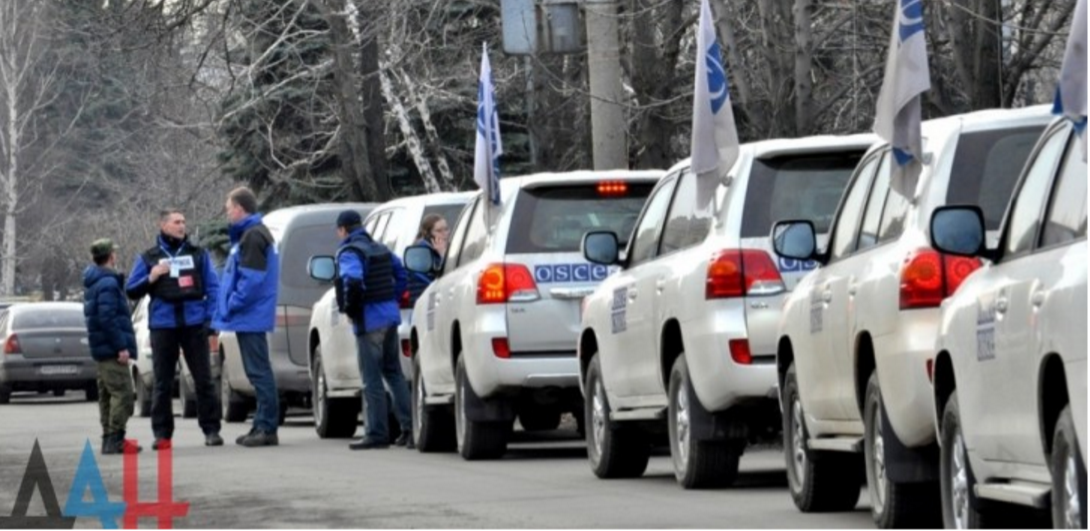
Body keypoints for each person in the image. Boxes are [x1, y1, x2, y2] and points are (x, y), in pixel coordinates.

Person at [126, 209, 223, 449]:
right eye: (177, 222)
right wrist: (152, 276)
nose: (182, 226)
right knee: (162, 382)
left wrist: (210, 320)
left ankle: (211, 430)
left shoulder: (198, 255)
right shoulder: (149, 258)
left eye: (184, 222)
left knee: (203, 380)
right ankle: (162, 435)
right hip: (163, 326)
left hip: (193, 324)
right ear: (163, 225)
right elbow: (131, 290)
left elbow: (213, 288)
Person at [333, 210, 412, 450]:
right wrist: (392, 300)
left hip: (369, 320)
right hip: (390, 317)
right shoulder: (381, 249)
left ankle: (377, 433)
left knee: (371, 379)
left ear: (343, 230)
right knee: (394, 374)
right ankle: (410, 429)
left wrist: (351, 309)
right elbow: (402, 275)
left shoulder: (349, 252)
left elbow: (353, 280)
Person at [213, 187, 281, 448]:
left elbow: (251, 280)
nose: (227, 212)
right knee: (257, 371)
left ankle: (266, 428)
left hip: (250, 314)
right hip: (249, 315)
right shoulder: (251, 234)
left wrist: (232, 303)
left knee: (259, 371)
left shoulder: (253, 236)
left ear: (240, 208)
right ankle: (260, 425)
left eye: (229, 207)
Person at [83, 239, 142, 455]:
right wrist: (121, 346)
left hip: (101, 348)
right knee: (123, 394)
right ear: (111, 256)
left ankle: (110, 438)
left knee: (107, 395)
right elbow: (107, 318)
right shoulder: (107, 283)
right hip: (111, 349)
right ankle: (115, 437)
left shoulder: (95, 282)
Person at [405, 214, 448, 306]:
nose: (444, 233)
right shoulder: (421, 252)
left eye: (446, 229)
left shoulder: (443, 248)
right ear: (428, 234)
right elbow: (441, 276)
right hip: (423, 300)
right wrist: (442, 255)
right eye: (439, 231)